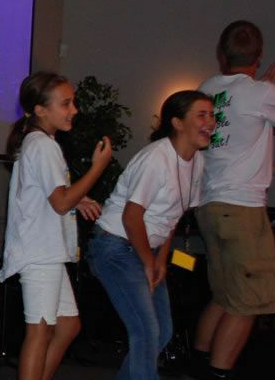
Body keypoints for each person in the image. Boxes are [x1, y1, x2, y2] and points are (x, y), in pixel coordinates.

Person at [192, 21, 275, 379]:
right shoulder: (259, 94)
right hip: (242, 209)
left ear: (222, 54)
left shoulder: (207, 89)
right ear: (258, 54)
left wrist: (260, 86)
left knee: (224, 297)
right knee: (248, 303)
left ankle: (198, 365)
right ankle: (218, 373)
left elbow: (239, 121)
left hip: (210, 205)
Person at [89, 90, 214, 380]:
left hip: (145, 249)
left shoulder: (197, 162)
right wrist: (149, 261)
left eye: (212, 115)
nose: (211, 122)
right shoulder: (156, 158)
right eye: (201, 114)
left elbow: (172, 218)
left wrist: (160, 259)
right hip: (115, 246)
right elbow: (131, 217)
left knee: (162, 331)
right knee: (146, 331)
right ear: (178, 123)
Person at [0, 71, 112, 380]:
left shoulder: (39, 143)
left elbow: (51, 195)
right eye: (65, 104)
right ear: (40, 110)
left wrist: (80, 198)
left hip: (45, 250)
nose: (73, 110)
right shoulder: (43, 145)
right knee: (40, 330)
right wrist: (97, 168)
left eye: (72, 102)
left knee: (67, 325)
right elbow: (60, 201)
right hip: (39, 251)